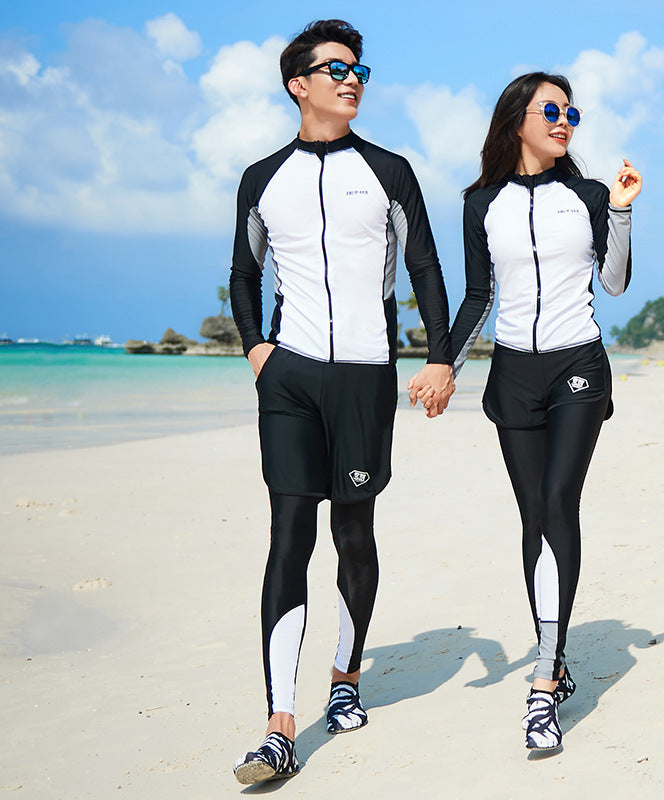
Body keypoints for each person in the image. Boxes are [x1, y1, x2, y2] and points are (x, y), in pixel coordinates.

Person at [229, 19, 454, 785]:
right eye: (336, 68)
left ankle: (346, 677)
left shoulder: (388, 170)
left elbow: (425, 265)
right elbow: (244, 273)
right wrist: (257, 350)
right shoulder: (263, 178)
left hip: (365, 374)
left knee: (353, 531)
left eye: (359, 69)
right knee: (289, 534)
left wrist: (439, 357)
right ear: (298, 84)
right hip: (289, 377)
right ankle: (278, 724)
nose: (352, 78)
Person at [427, 72, 641, 750]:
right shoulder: (480, 203)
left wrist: (622, 211)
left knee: (556, 503)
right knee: (532, 519)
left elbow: (614, 283)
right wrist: (444, 365)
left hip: (579, 363)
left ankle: (544, 681)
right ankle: (556, 654)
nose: (563, 121)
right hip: (513, 373)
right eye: (551, 109)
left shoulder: (589, 195)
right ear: (516, 118)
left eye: (571, 112)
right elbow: (478, 296)